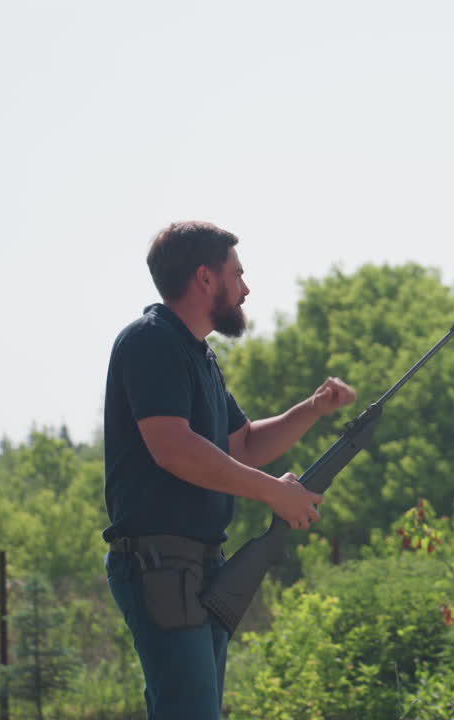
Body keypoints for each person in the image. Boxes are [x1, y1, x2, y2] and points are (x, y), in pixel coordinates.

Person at [102, 220, 356, 719]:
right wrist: (273, 494)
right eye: (236, 274)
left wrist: (313, 407)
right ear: (204, 279)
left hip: (195, 568)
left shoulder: (198, 356)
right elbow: (175, 449)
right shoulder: (150, 341)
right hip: (161, 567)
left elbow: (243, 445)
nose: (245, 288)